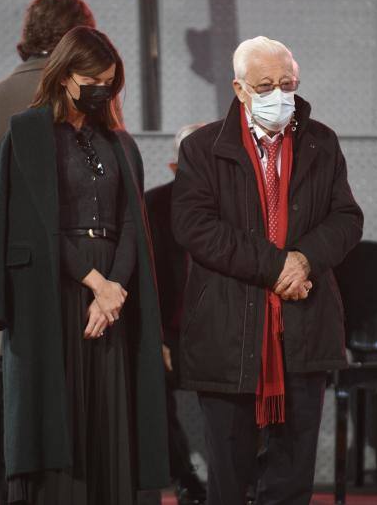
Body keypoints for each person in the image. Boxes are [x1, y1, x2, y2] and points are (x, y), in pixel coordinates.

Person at [0, 26, 169, 505]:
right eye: (92, 79)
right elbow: (34, 224)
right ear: (65, 76)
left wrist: (115, 288)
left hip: (112, 296)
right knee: (56, 420)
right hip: (53, 290)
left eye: (109, 80)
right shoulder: (25, 134)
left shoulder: (121, 144)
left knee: (109, 418)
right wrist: (94, 283)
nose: (101, 89)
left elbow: (133, 223)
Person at [171, 36, 364, 505]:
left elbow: (346, 219)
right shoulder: (202, 148)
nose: (279, 96)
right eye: (265, 86)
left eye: (287, 84)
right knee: (229, 478)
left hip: (304, 327)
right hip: (227, 331)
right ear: (239, 90)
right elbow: (195, 227)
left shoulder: (322, 142)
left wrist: (304, 260)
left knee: (291, 477)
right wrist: (278, 266)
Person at [0, 0, 96, 231]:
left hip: (11, 263)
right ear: (80, 42)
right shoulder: (86, 98)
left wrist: (19, 231)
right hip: (83, 259)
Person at [145, 123, 207, 505]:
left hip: (223, 330)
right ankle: (184, 477)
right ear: (174, 166)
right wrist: (154, 337)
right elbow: (144, 278)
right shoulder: (152, 206)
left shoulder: (240, 206)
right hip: (169, 328)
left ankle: (248, 483)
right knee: (147, 381)